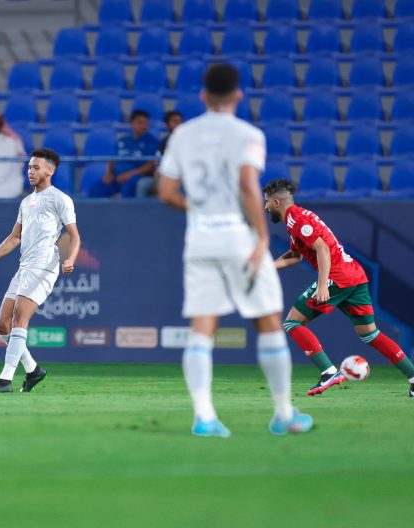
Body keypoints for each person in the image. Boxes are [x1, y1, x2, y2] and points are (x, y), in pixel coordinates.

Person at [157, 63, 313, 437]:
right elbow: (247, 183)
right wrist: (262, 237)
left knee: (201, 330)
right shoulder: (248, 133)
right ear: (238, 94)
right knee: (268, 323)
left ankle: (204, 417)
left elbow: (165, 192)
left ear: (203, 96)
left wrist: (196, 209)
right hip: (238, 239)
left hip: (200, 241)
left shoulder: (183, 134)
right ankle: (283, 414)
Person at [264, 178, 414, 397]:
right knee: (370, 334)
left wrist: (323, 284)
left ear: (277, 202)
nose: (265, 207)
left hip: (338, 276)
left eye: (267, 202)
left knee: (292, 322)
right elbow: (295, 256)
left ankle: (328, 373)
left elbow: (322, 250)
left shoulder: (297, 219)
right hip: (354, 275)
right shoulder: (295, 220)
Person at [0, 148, 81, 393]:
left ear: (50, 171)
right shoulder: (26, 201)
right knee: (2, 326)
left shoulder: (60, 199)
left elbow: (74, 236)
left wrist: (70, 258)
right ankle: (33, 371)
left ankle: (5, 380)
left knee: (20, 319)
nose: (30, 171)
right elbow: (14, 237)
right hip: (25, 266)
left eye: (36, 167)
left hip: (43, 266)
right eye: (29, 167)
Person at [89, 109, 159, 198]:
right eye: (140, 122)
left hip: (136, 177)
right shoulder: (123, 140)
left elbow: (151, 164)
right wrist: (109, 173)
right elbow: (112, 159)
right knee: (96, 189)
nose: (143, 126)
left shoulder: (152, 142)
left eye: (145, 123)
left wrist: (130, 174)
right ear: (132, 123)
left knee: (128, 188)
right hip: (116, 177)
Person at [136, 111, 183, 197]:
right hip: (165, 177)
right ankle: (142, 210)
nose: (178, 124)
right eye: (175, 121)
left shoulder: (190, 141)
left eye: (180, 121)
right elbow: (157, 165)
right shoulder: (163, 143)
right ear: (167, 125)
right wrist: (158, 181)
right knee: (143, 184)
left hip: (184, 178)